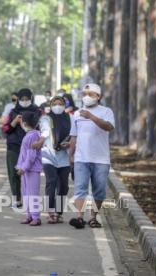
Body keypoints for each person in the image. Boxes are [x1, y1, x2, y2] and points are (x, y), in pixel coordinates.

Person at [69, 83, 115, 229]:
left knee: (99, 190)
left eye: (90, 94)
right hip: (81, 158)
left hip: (101, 159)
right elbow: (74, 136)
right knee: (80, 188)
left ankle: (93, 217)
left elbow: (109, 127)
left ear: (98, 96)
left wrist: (91, 116)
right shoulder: (76, 114)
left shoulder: (106, 111)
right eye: (84, 94)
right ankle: (79, 217)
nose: (86, 97)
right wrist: (71, 155)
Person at [33, 96, 72, 224]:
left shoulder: (69, 118)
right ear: (50, 105)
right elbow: (44, 132)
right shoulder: (46, 118)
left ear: (64, 105)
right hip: (48, 154)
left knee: (64, 186)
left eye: (60, 103)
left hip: (64, 156)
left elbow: (73, 135)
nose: (57, 106)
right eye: (54, 104)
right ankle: (51, 212)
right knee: (51, 181)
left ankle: (58, 212)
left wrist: (69, 144)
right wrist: (40, 142)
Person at [3, 88, 40, 208]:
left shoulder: (37, 111)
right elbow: (5, 130)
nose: (24, 101)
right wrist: (14, 121)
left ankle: (29, 200)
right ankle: (17, 199)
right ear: (18, 99)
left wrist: (30, 121)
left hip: (31, 146)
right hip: (14, 146)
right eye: (22, 99)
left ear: (31, 98)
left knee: (30, 173)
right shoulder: (13, 112)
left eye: (27, 99)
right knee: (14, 173)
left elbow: (43, 128)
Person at [16, 112, 42, 226]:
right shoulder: (30, 134)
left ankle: (36, 217)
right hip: (26, 169)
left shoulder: (33, 136)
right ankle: (29, 215)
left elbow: (31, 156)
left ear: (24, 123)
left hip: (32, 169)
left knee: (33, 193)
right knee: (26, 192)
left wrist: (24, 168)